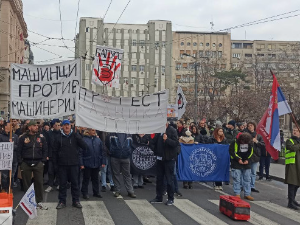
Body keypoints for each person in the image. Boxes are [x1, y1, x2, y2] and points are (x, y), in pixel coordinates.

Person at [54, 120, 87, 209]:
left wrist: (79, 136)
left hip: (74, 164)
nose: (67, 127)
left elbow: (84, 146)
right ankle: (62, 201)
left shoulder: (75, 136)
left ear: (70, 126)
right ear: (62, 127)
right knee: (62, 184)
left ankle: (76, 201)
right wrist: (56, 164)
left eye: (68, 125)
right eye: (65, 125)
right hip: (62, 164)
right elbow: (55, 151)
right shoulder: (58, 137)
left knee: (75, 183)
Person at [17, 120, 48, 210]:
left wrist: (43, 162)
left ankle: (39, 201)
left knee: (39, 182)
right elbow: (19, 151)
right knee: (26, 183)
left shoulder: (41, 137)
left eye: (37, 126)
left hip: (38, 163)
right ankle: (28, 202)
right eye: (34, 126)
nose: (36, 127)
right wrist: (20, 163)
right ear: (30, 127)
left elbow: (45, 150)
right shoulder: (23, 138)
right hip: (26, 163)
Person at [150, 122, 179, 206]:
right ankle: (159, 197)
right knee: (159, 179)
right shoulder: (159, 131)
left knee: (169, 180)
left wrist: (167, 140)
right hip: (160, 158)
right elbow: (153, 142)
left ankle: (170, 198)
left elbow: (175, 143)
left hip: (169, 159)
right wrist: (155, 150)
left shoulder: (172, 131)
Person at [105, 133, 136, 198]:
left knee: (127, 174)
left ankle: (130, 191)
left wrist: (128, 152)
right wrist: (111, 152)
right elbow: (107, 144)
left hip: (125, 157)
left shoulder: (129, 135)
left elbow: (132, 144)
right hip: (115, 157)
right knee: (116, 174)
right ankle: (117, 190)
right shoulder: (112, 134)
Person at [80, 128, 105, 199]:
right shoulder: (84, 140)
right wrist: (81, 164)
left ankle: (96, 192)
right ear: (88, 131)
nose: (94, 132)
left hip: (96, 161)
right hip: (87, 162)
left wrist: (103, 161)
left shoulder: (98, 140)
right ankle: (84, 192)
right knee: (86, 178)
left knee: (95, 178)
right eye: (92, 130)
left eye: (95, 130)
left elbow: (102, 151)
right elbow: (80, 153)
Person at [229, 132, 254, 201]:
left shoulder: (250, 143)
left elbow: (251, 152)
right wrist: (238, 159)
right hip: (236, 162)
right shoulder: (234, 142)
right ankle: (237, 193)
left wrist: (247, 160)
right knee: (237, 178)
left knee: (247, 179)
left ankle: (247, 194)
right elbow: (232, 152)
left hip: (246, 163)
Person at [245, 122, 264, 193]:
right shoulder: (245, 135)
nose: (250, 127)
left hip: (255, 156)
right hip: (247, 156)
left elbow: (262, 145)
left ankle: (252, 186)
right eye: (249, 126)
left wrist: (256, 141)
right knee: (247, 172)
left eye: (251, 125)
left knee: (253, 172)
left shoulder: (258, 136)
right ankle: (245, 185)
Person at [0, 122, 18, 192]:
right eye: (9, 125)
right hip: (4, 159)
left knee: (12, 175)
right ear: (5, 127)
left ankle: (10, 188)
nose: (11, 126)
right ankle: (4, 188)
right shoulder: (1, 136)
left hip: (13, 159)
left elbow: (18, 146)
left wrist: (12, 145)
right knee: (4, 176)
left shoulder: (15, 136)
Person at [285, 127, 300, 210]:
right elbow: (292, 148)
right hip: (292, 165)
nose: (294, 132)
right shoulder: (289, 141)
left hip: (298, 165)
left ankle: (293, 200)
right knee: (292, 183)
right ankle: (290, 202)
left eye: (296, 131)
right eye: (293, 130)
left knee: (297, 184)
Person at [45, 119, 61, 192]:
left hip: (59, 155)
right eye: (56, 125)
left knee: (58, 170)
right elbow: (47, 144)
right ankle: (50, 185)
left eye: (58, 125)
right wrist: (47, 154)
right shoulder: (49, 134)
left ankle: (58, 184)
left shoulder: (62, 134)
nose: (57, 126)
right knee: (50, 171)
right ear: (53, 126)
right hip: (51, 154)